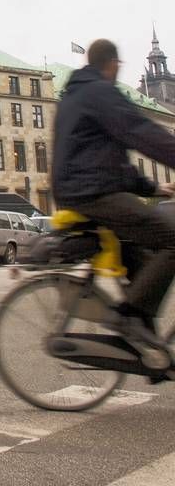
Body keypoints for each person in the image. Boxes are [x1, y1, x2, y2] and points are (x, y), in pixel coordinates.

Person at [53, 38, 175, 369]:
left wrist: (154, 187)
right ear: (112, 64)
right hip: (95, 194)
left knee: (142, 255)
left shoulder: (73, 95)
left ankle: (150, 353)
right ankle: (127, 317)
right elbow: (141, 131)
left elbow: (113, 162)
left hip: (81, 189)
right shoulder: (100, 92)